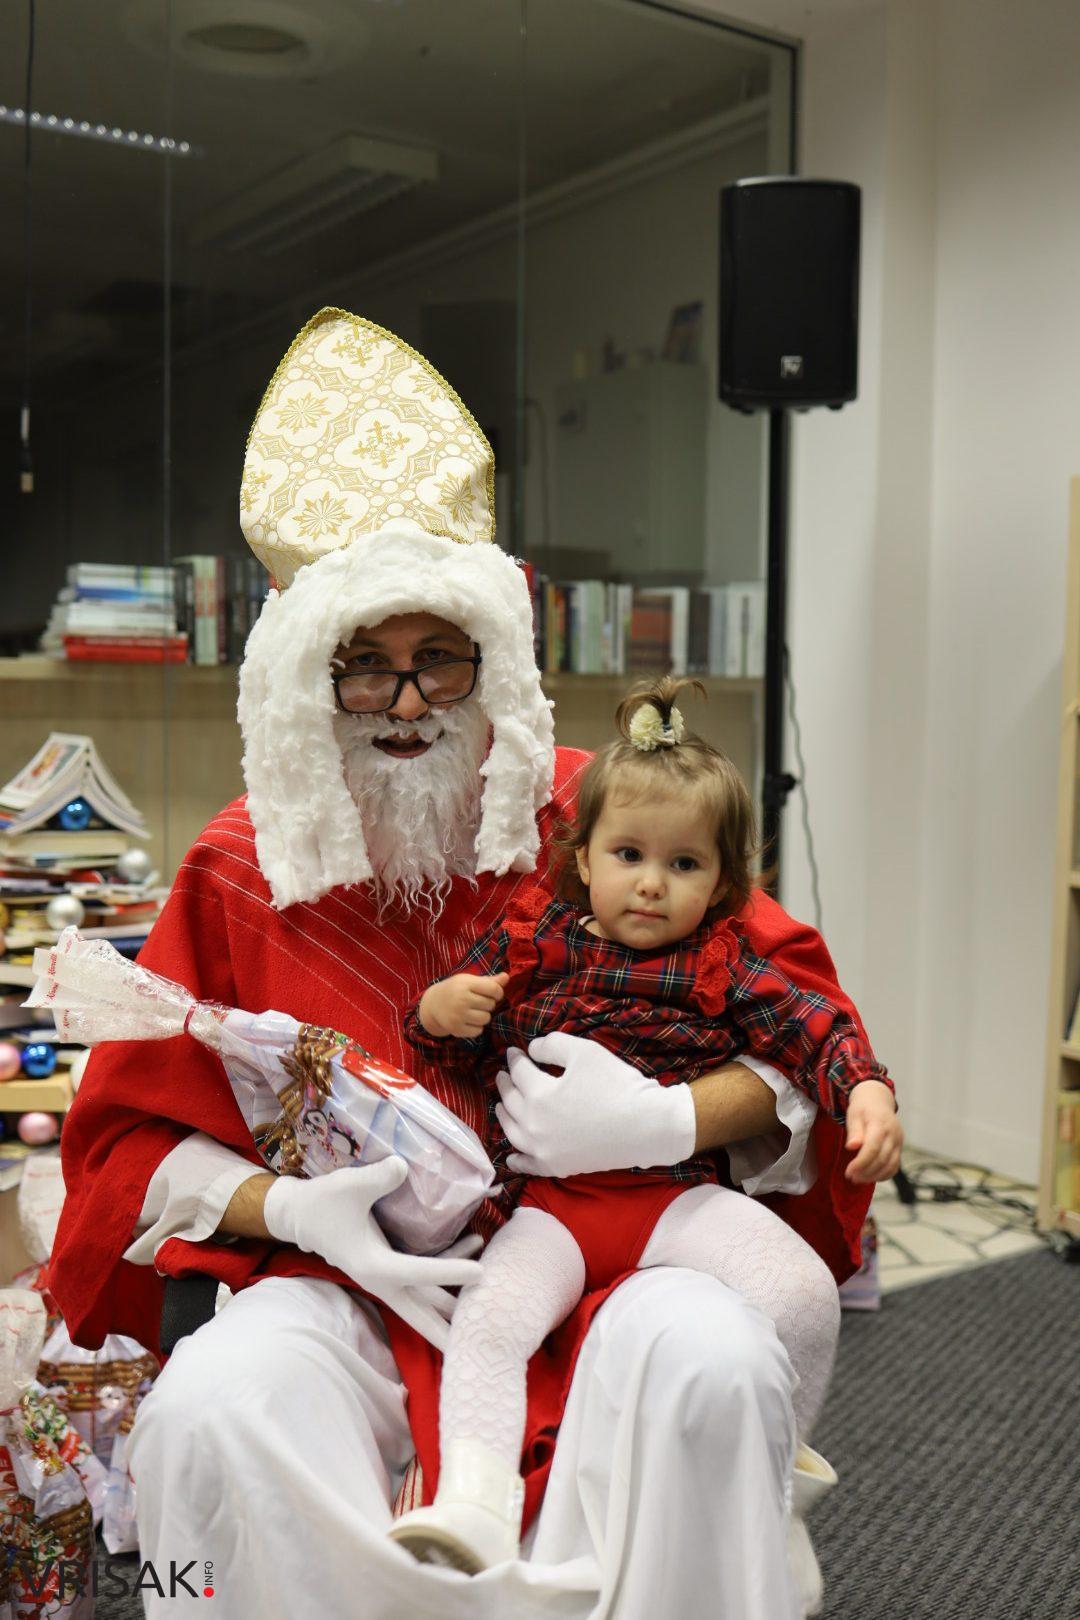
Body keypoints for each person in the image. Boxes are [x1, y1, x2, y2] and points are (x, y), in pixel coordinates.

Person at [48, 309, 888, 1620]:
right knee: (214, 1408)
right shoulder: (236, 865)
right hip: (350, 1277)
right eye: (362, 666)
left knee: (719, 1361)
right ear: (298, 680)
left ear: (488, 658)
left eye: (437, 657)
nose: (403, 702)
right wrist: (294, 1212)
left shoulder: (611, 820)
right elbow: (124, 1146)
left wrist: (670, 1115)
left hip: (620, 1244)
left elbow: (796, 1041)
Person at [389, 676, 901, 1596]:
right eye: (629, 854)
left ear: (726, 884)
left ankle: (774, 1486)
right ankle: (472, 1500)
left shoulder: (725, 965)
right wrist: (439, 1008)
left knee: (804, 1295)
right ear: (583, 860)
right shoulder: (529, 942)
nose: (654, 884)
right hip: (551, 1207)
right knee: (491, 1325)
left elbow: (815, 1027)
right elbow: (431, 1040)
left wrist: (865, 1089)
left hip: (674, 1197)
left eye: (686, 865)